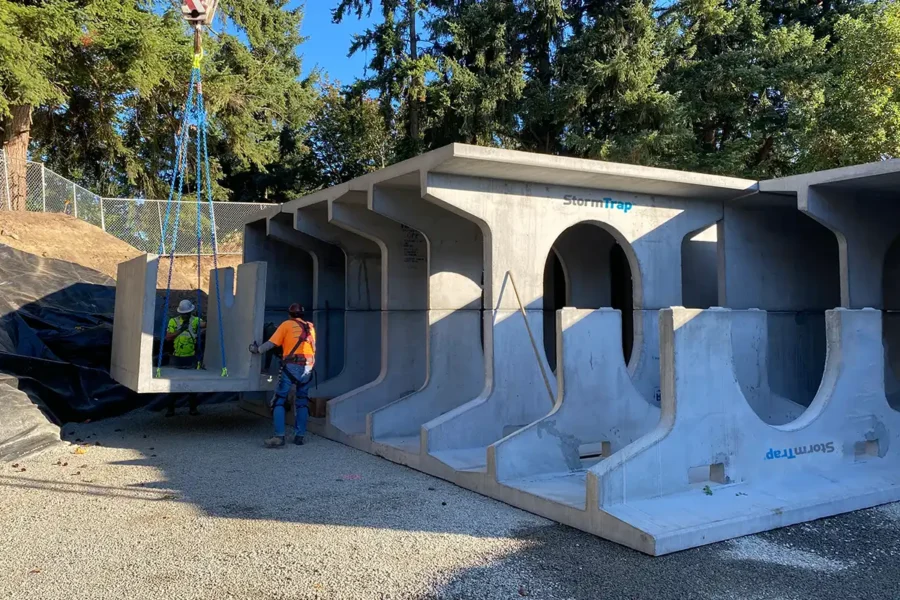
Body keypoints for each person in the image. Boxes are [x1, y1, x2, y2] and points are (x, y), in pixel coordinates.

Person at [249, 303, 316, 448]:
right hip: (308, 366)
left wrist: (257, 350)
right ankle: (300, 436)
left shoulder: (286, 325)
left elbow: (271, 344)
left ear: (289, 314)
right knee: (302, 401)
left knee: (279, 400)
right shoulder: (310, 327)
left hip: (291, 366)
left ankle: (279, 437)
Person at [164, 299, 205, 417]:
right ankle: (170, 409)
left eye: (187, 313)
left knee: (192, 385)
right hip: (176, 357)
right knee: (173, 385)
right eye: (184, 314)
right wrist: (180, 330)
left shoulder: (195, 321)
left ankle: (193, 408)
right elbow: (168, 337)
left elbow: (205, 324)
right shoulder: (174, 321)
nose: (186, 315)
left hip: (191, 357)